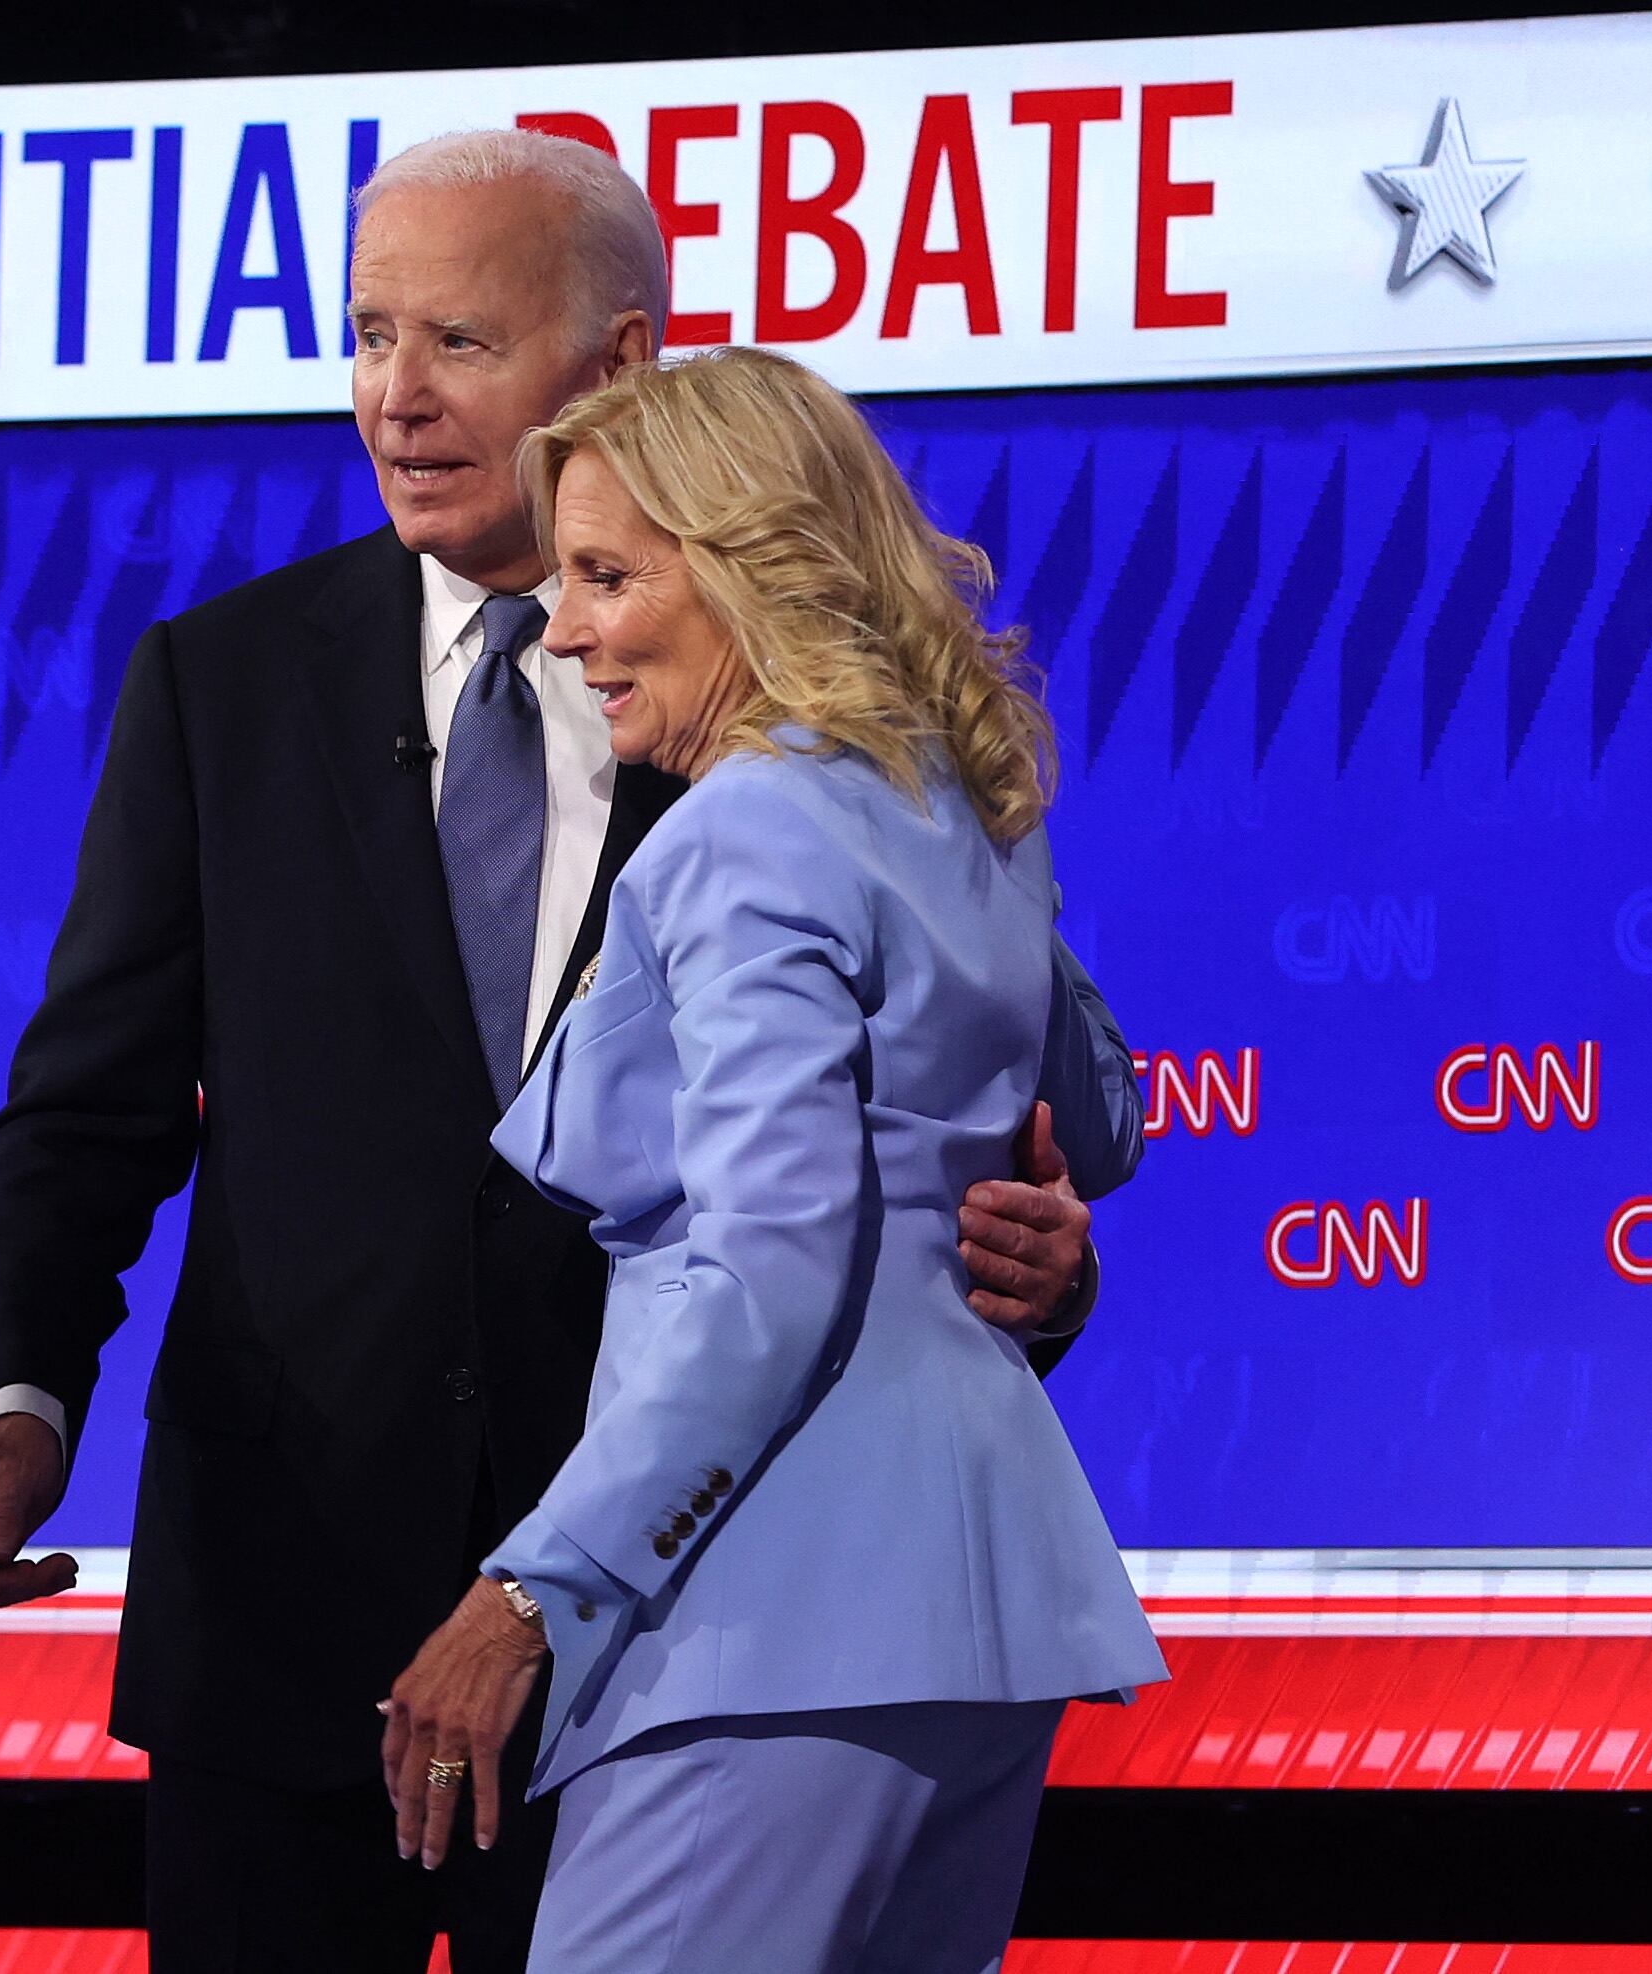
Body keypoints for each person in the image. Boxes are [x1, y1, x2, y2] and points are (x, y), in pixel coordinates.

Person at [0, 132, 1139, 1974]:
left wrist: (1016, 1258)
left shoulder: (757, 755)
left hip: (665, 1611)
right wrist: (22, 1391)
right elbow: (89, 1102)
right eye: (366, 334)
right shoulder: (222, 680)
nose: (393, 398)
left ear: (621, 365)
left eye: (461, 346)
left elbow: (931, 1154)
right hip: (290, 1625)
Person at [378, 347, 1169, 1973]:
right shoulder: (959, 803)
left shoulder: (744, 829)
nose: (567, 623)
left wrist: (530, 1592)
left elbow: (768, 1272)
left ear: (751, 560)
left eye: (607, 573)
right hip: (978, 1625)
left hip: (769, 1616)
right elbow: (1098, 1118)